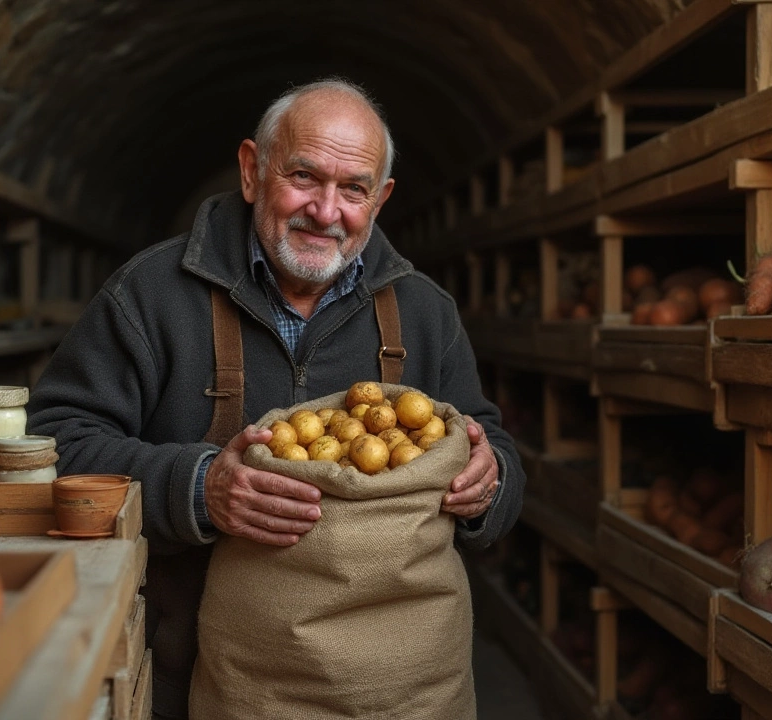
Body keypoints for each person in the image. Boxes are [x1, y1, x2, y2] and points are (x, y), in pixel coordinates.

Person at [26, 78, 525, 719]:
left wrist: (490, 481)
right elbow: (57, 442)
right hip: (197, 677)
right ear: (251, 171)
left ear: (381, 199)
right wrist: (198, 488)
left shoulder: (424, 313)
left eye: (353, 189)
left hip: (390, 688)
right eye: (303, 176)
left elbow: (495, 448)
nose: (325, 210)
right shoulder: (149, 296)